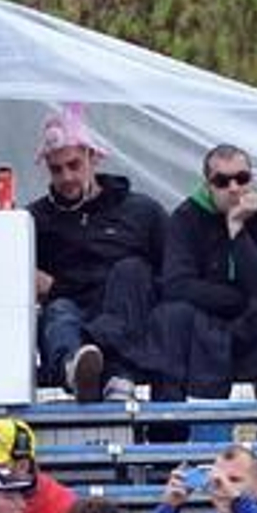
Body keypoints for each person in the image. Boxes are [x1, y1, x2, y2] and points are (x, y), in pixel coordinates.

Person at [151, 144, 257, 441]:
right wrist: (239, 297)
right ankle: (165, 440)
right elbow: (176, 286)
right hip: (202, 321)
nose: (234, 188)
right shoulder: (185, 218)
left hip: (251, 323)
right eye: (222, 181)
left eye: (241, 178)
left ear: (252, 179)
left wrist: (237, 230)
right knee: (168, 317)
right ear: (208, 185)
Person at [29, 103, 166, 403]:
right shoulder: (34, 220)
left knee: (132, 271)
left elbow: (171, 273)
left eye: (74, 165)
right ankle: (75, 372)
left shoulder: (141, 211)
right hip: (72, 321)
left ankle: (118, 375)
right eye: (56, 169)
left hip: (126, 319)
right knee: (60, 312)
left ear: (93, 158)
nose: (66, 177)